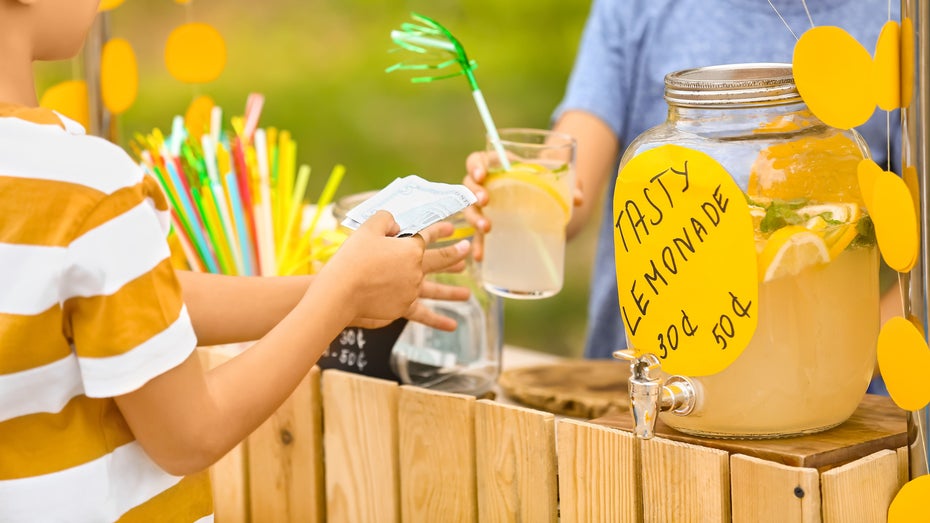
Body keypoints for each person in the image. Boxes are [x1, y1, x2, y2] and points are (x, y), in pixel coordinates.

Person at [0, 0, 470, 521]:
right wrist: (340, 298)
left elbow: (119, 300)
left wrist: (338, 288)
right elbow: (189, 435)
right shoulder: (86, 187)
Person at [465, 0, 900, 360]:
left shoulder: (896, 21)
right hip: (637, 381)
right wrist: (522, 194)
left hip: (826, 389)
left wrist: (844, 363)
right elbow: (569, 182)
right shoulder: (637, 7)